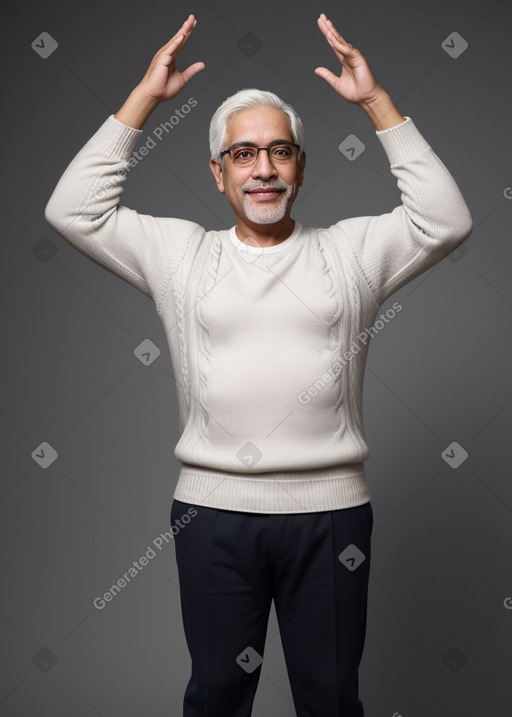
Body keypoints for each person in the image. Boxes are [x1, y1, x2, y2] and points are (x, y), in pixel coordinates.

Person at [44, 12, 473, 717]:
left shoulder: (351, 251)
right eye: (243, 155)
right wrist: (144, 100)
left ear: (302, 165)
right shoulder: (181, 254)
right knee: (217, 697)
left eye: (279, 151)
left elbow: (445, 219)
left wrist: (376, 103)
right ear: (218, 173)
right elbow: (74, 209)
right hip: (213, 516)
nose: (263, 168)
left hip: (332, 518)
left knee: (330, 699)